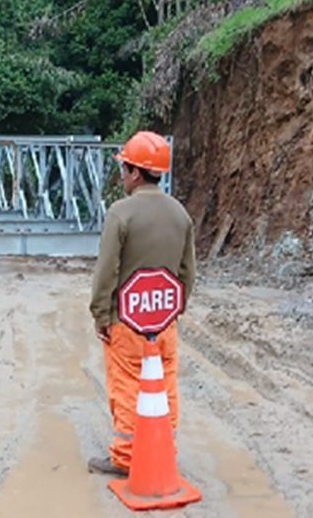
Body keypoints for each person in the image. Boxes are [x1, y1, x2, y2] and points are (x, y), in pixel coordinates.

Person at [88, 131, 196, 476]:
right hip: (164, 321)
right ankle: (163, 451)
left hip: (126, 322)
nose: (122, 175)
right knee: (164, 385)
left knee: (127, 386)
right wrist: (174, 310)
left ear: (136, 172)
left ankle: (125, 457)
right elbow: (187, 272)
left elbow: (107, 270)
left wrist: (102, 314)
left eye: (124, 169)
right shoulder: (180, 214)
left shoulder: (121, 214)